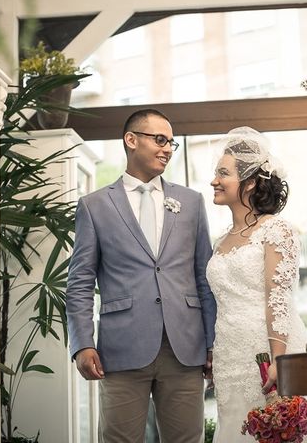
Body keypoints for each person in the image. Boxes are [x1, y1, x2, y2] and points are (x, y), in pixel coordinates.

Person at [66, 109, 217, 443]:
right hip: (121, 348)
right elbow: (79, 281)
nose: (166, 149)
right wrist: (82, 343)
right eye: (159, 139)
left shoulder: (190, 202)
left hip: (185, 347)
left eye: (171, 143)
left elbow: (204, 277)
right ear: (131, 140)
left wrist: (211, 342)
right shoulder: (94, 206)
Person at [206, 127, 307, 442]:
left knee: (282, 428)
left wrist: (279, 360)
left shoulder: (276, 230)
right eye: (215, 173)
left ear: (250, 182)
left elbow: (278, 298)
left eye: (223, 173)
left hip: (268, 351)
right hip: (230, 356)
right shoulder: (220, 241)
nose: (214, 180)